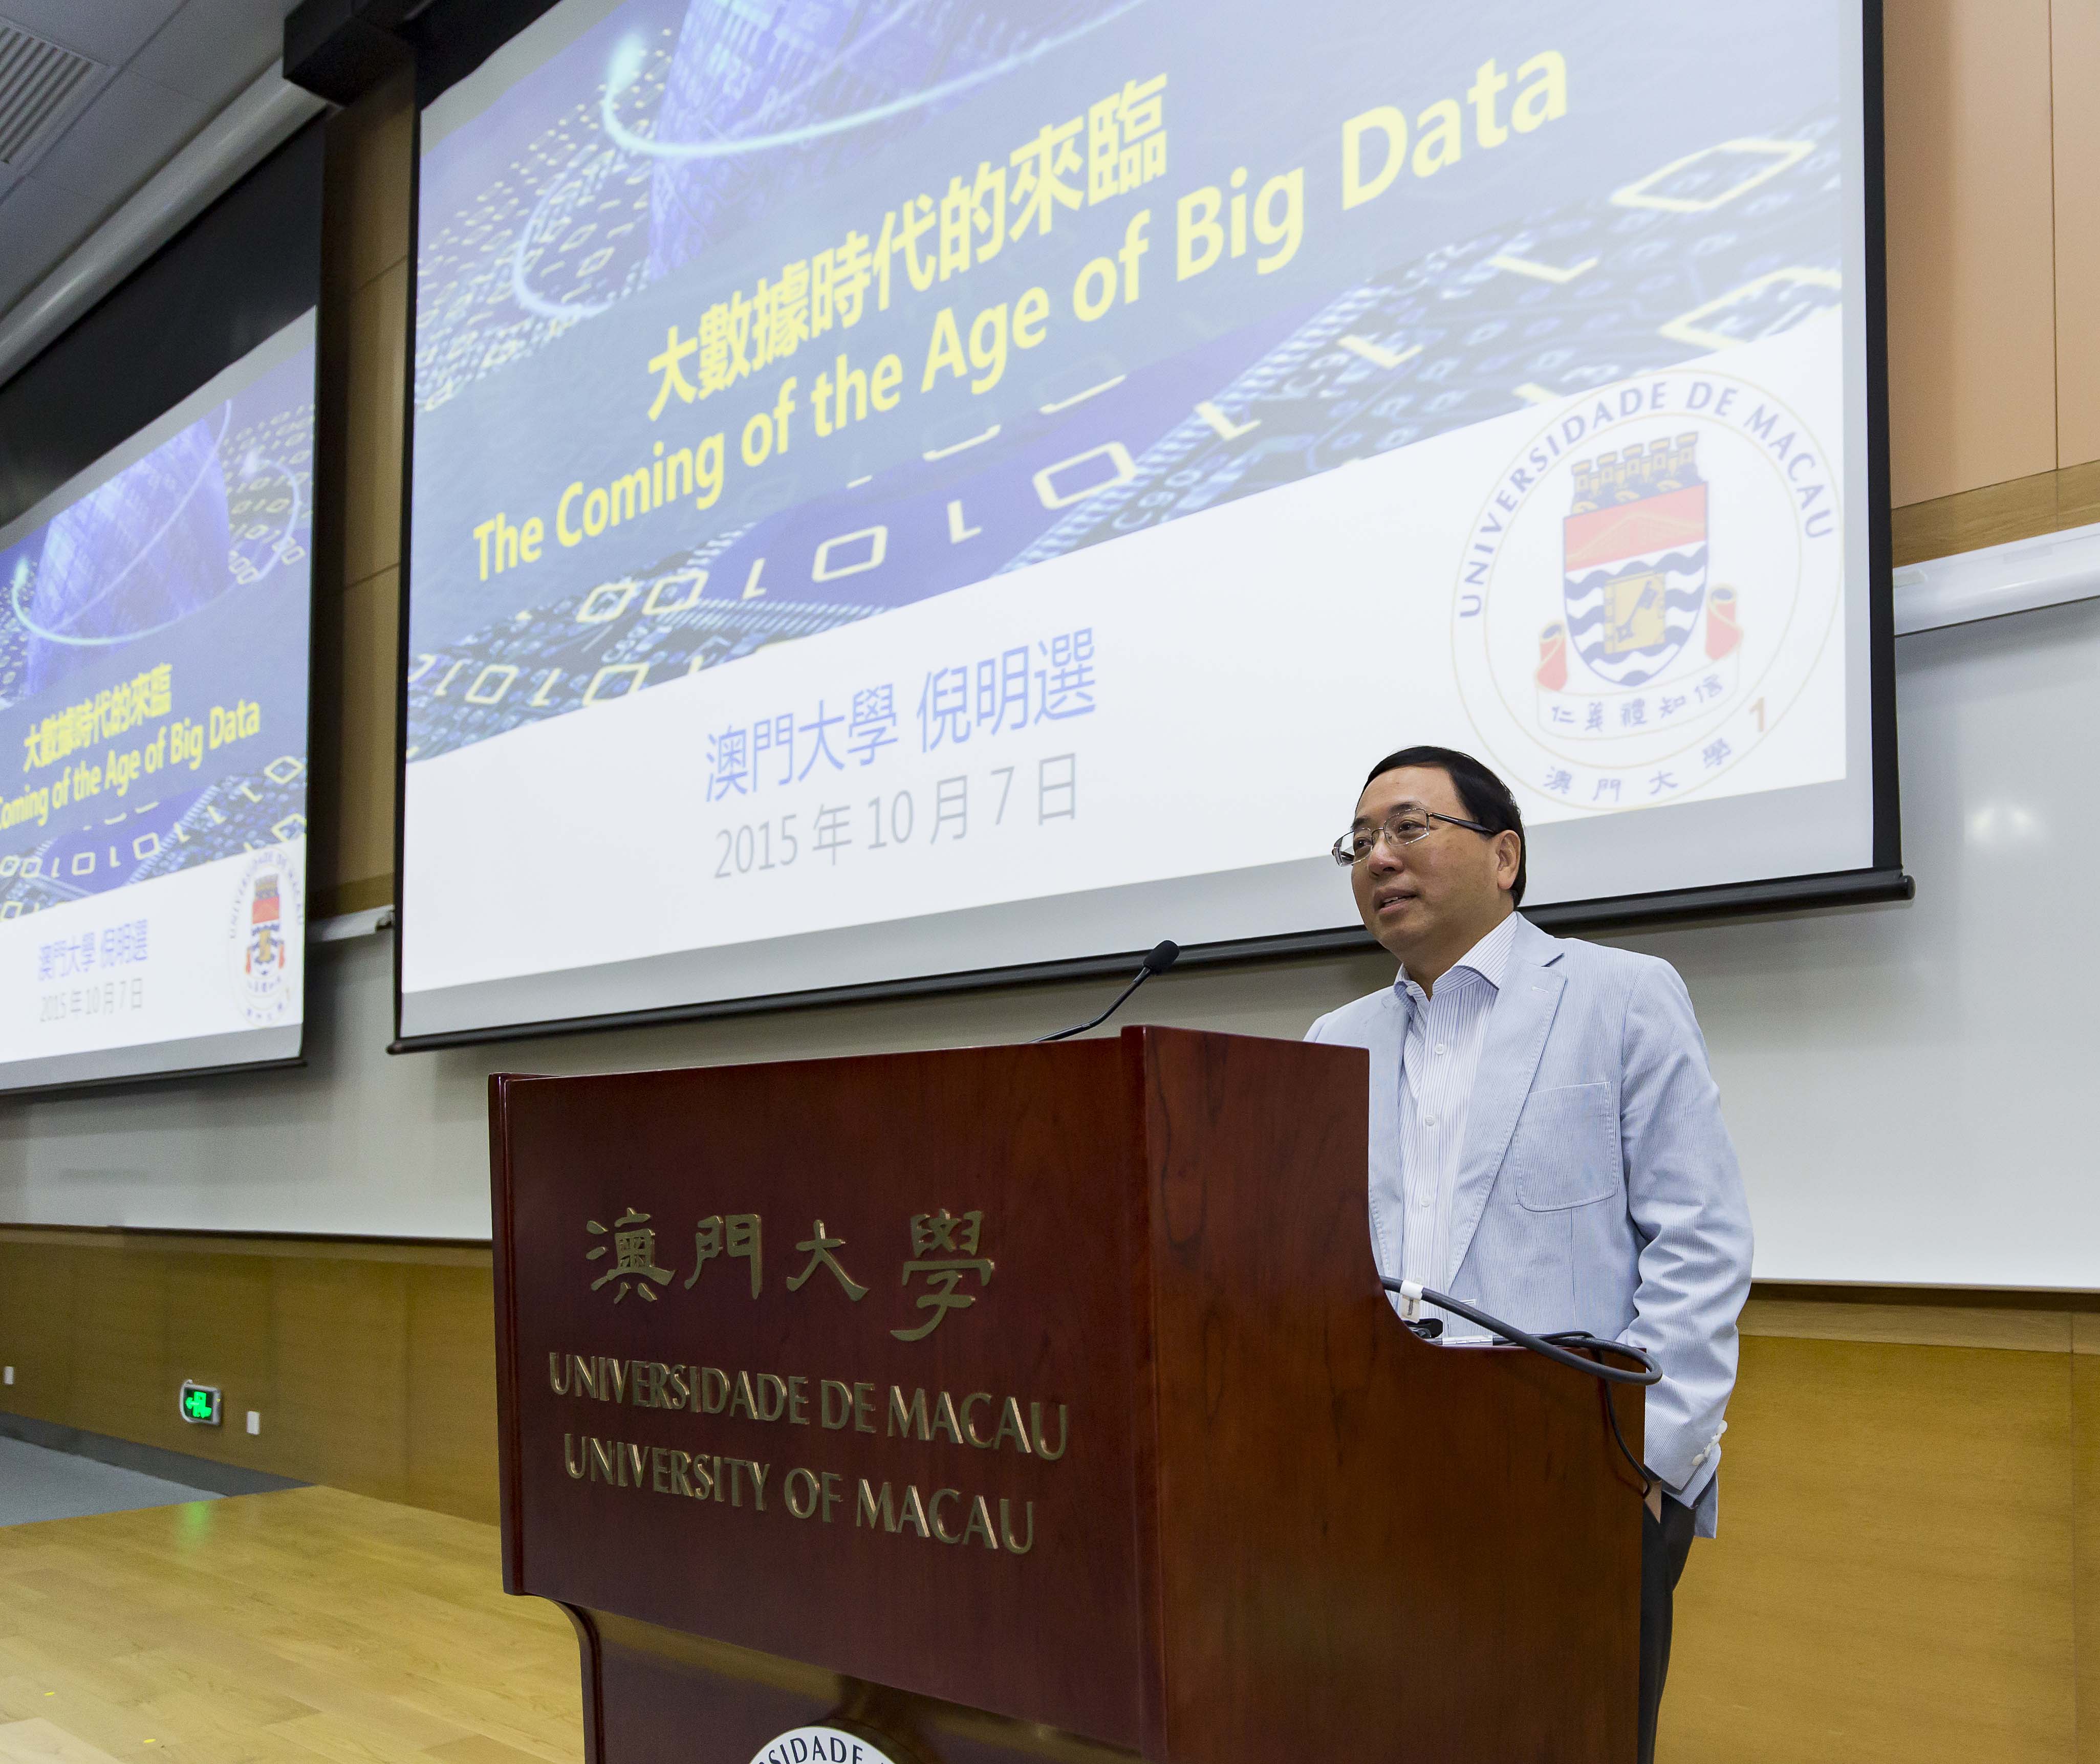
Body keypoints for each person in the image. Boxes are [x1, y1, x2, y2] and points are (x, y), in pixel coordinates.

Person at [1306, 744, 1752, 1764]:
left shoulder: (1621, 994)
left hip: (1576, 1476)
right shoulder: (1335, 1039)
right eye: (1359, 842)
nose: (1379, 857)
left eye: (1410, 828)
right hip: (1380, 1478)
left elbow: (1700, 1237)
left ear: (1504, 855)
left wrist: (1645, 1465)